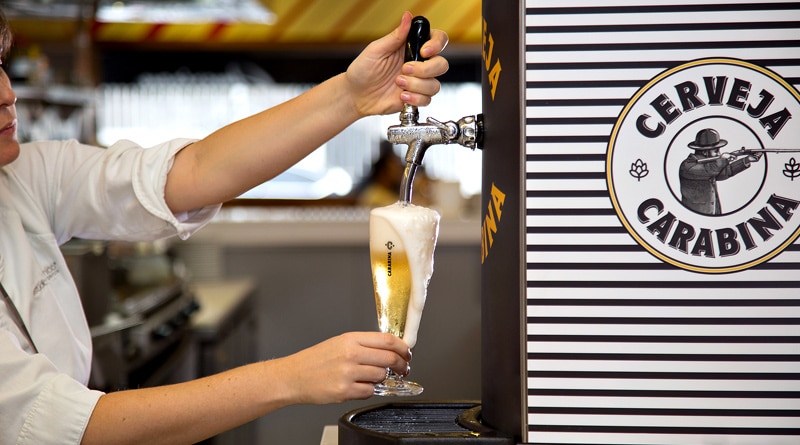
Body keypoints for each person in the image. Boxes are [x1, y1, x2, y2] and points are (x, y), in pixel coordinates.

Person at [0, 9, 449, 444]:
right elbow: (76, 429)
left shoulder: (23, 177)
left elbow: (197, 170)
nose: (7, 92)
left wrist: (353, 96)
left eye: (2, 66)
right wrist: (290, 377)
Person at [678, 128, 761, 215]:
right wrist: (724, 159)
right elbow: (710, 170)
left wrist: (747, 160)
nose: (718, 153)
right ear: (705, 152)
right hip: (695, 215)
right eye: (716, 151)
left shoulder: (709, 166)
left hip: (713, 212)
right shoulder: (687, 166)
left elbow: (726, 173)